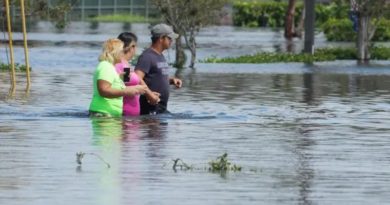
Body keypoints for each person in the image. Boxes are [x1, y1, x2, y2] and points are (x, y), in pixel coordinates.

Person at [89, 38, 147, 117]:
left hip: (109, 114)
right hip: (103, 114)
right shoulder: (106, 66)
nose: (123, 54)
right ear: (115, 52)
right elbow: (103, 90)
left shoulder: (111, 66)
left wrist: (120, 78)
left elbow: (112, 84)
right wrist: (127, 91)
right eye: (121, 51)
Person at [135, 23, 183, 115]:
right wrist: (149, 95)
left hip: (160, 107)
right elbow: (137, 77)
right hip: (150, 108)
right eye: (169, 38)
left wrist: (171, 80)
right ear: (161, 38)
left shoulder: (160, 55)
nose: (171, 41)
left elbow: (154, 77)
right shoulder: (147, 56)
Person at [116, 32, 160, 116]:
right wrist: (148, 93)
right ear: (132, 47)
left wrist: (149, 93)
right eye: (135, 46)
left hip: (131, 117)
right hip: (126, 115)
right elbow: (125, 87)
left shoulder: (126, 64)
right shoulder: (123, 65)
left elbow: (129, 84)